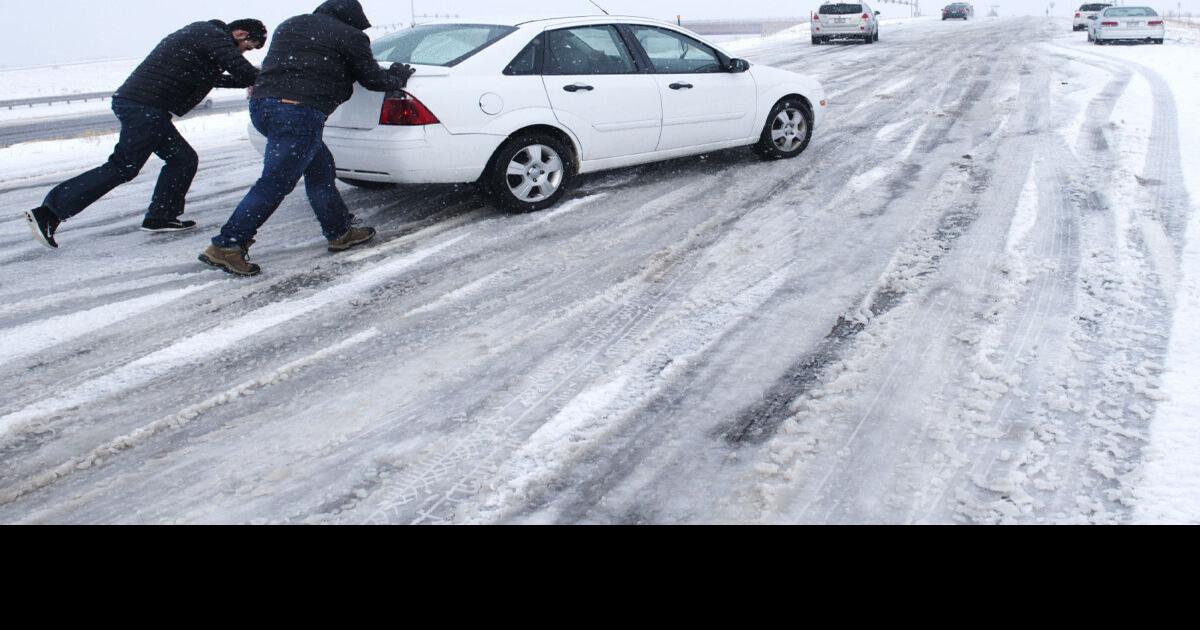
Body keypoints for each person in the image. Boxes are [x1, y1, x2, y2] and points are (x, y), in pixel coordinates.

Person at [199, 0, 414, 277]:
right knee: (276, 182)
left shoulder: (291, 25)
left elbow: (303, 62)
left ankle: (340, 232)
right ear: (350, 19)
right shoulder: (350, 35)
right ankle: (227, 244)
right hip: (297, 112)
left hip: (264, 106)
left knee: (320, 169)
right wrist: (395, 76)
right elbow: (372, 79)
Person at [23, 19, 267, 249]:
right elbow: (242, 71)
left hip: (146, 107)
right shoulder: (210, 34)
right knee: (123, 167)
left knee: (182, 159)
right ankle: (49, 212)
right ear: (240, 34)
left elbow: (220, 79)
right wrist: (273, 77)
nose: (246, 52)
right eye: (249, 46)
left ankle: (161, 216)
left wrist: (258, 78)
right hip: (144, 107)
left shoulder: (202, 40)